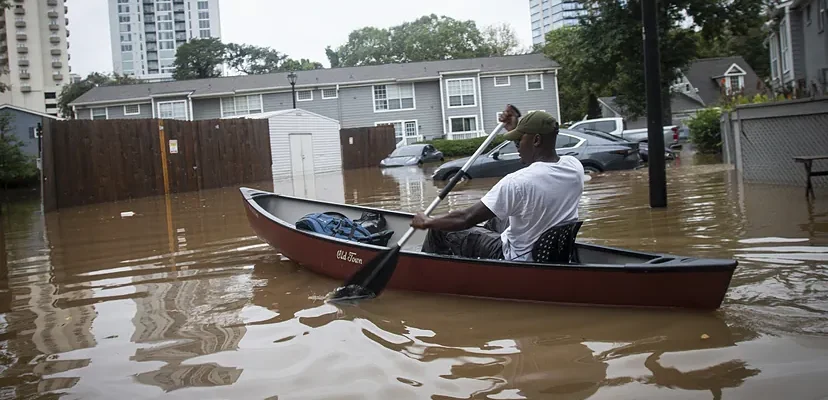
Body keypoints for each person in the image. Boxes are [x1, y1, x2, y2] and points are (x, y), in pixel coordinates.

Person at [410, 106, 585, 262]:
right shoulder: (574, 167)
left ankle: (430, 270)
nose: (516, 147)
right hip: (549, 250)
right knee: (496, 215)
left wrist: (427, 222)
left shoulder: (516, 182)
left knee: (440, 229)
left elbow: (465, 218)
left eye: (519, 140)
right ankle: (475, 249)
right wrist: (517, 127)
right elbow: (539, 169)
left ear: (536, 140)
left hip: (514, 255)